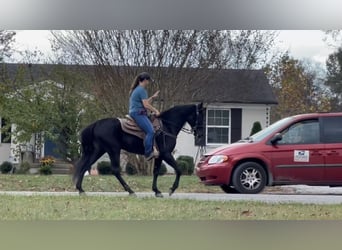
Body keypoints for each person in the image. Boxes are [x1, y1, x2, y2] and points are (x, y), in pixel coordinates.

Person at [129, 72, 160, 160]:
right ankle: (148, 153)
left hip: (135, 112)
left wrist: (153, 97)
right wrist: (155, 110)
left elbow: (144, 102)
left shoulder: (137, 89)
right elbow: (146, 105)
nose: (148, 83)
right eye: (148, 81)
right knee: (150, 131)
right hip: (138, 113)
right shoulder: (142, 90)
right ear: (145, 80)